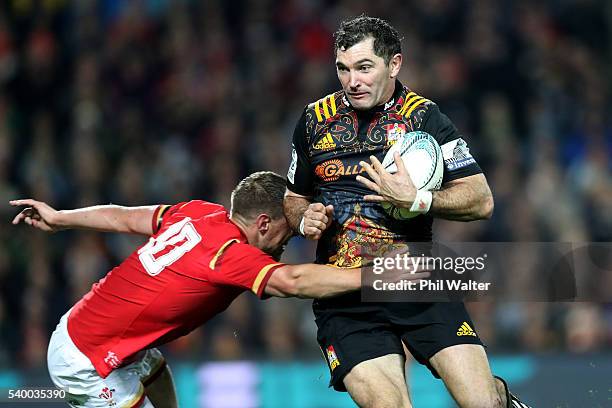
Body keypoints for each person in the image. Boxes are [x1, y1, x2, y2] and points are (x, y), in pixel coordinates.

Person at [10, 171, 427, 408]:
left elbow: (125, 217)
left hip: (91, 329)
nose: (289, 240)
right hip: (85, 359)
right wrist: (376, 276)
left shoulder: (200, 213)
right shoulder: (229, 255)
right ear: (263, 223)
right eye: (286, 229)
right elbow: (293, 281)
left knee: (154, 371)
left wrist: (62, 218)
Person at [283, 16, 531, 408]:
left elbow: (481, 200)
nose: (352, 81)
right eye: (343, 69)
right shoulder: (313, 120)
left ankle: (498, 393)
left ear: (394, 64)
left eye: (365, 68)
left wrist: (417, 200)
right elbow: (293, 196)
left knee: (484, 404)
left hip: (416, 277)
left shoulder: (425, 118)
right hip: (345, 297)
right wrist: (302, 217)